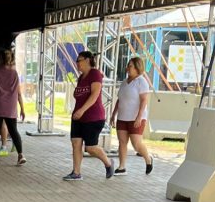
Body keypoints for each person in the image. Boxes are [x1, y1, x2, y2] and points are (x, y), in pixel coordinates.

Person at [64, 51, 113, 181]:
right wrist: (78, 111)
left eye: (79, 60)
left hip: (93, 117)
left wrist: (82, 110)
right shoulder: (81, 77)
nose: (77, 63)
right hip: (78, 117)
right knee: (76, 143)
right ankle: (76, 172)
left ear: (87, 60)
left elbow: (94, 95)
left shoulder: (95, 74)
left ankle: (108, 163)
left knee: (90, 148)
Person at [109, 57, 154, 176]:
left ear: (137, 67)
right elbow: (120, 99)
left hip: (136, 118)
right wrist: (113, 114)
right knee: (122, 142)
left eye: (130, 66)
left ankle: (148, 159)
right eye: (127, 66)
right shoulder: (124, 82)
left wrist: (139, 117)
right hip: (122, 117)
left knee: (136, 144)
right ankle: (122, 167)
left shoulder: (141, 81)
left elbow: (144, 100)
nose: (127, 68)